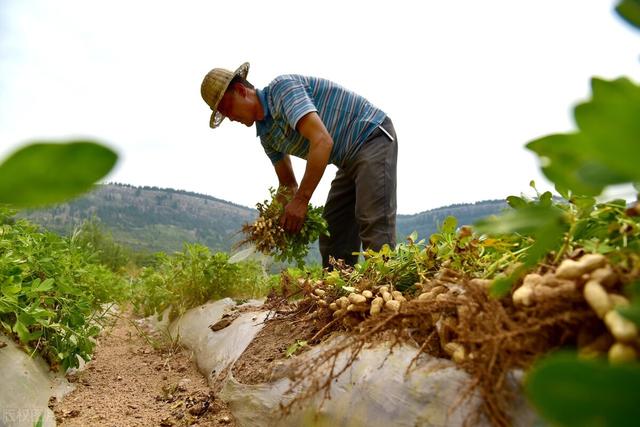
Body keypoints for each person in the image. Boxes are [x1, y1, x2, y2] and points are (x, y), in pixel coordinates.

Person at [200, 62, 397, 267]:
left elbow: (322, 141)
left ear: (241, 91)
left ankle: (387, 287)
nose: (230, 119)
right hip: (347, 160)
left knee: (372, 220)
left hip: (371, 137)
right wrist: (271, 222)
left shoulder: (282, 90)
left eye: (227, 109)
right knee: (334, 232)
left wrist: (302, 200)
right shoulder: (267, 136)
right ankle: (344, 294)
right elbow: (287, 185)